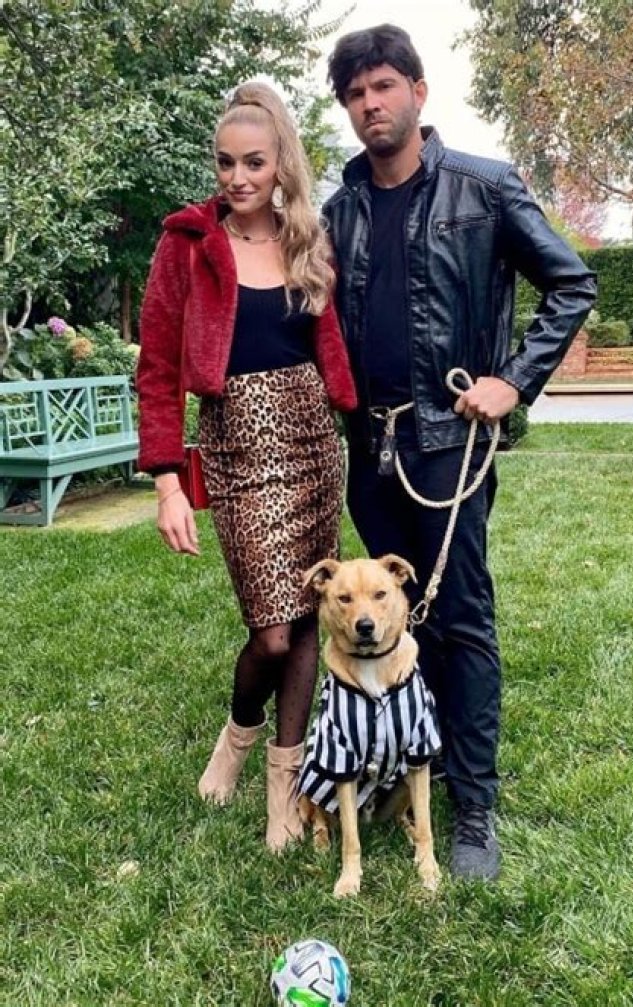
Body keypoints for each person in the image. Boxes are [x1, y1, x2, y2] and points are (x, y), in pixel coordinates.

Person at [323, 25, 597, 880]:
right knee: (400, 615)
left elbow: (573, 283)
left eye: (384, 86)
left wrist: (513, 380)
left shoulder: (485, 187)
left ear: (418, 91)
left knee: (463, 616)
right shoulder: (340, 210)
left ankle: (473, 805)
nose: (371, 104)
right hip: (372, 447)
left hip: (449, 442)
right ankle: (422, 762)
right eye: (356, 93)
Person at [136, 82, 357, 853]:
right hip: (236, 447)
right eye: (225, 162)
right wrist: (167, 481)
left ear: (280, 163)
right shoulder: (187, 243)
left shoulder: (309, 241)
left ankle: (284, 785)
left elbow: (335, 345)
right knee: (270, 633)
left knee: (307, 618)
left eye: (254, 162)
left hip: (312, 444)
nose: (237, 177)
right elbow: (157, 367)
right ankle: (238, 733)